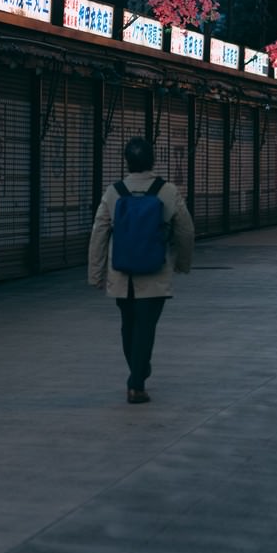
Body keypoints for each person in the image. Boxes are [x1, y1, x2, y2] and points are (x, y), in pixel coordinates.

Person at [87, 137, 195, 403]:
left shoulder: (114, 192)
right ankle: (137, 382)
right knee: (146, 327)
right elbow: (186, 230)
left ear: (127, 161)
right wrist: (182, 263)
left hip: (122, 275)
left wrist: (96, 273)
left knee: (128, 326)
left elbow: (99, 232)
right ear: (152, 160)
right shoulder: (167, 191)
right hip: (155, 273)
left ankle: (138, 371)